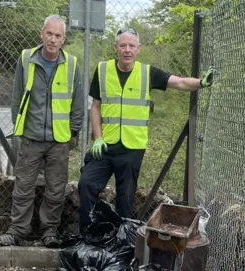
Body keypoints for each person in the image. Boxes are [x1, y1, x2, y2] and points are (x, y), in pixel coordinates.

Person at [77, 27, 214, 233]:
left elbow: (179, 81)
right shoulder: (103, 70)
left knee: (126, 196)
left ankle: (120, 239)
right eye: (123, 45)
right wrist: (97, 138)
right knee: (86, 184)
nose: (127, 50)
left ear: (138, 49)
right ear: (115, 47)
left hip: (132, 147)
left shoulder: (147, 73)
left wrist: (202, 83)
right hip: (104, 145)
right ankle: (87, 234)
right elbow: (95, 108)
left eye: (131, 46)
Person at [0, 15, 84, 248]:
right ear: (42, 34)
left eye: (58, 36)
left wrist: (72, 132)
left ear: (64, 39)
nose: (53, 39)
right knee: (23, 187)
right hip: (30, 136)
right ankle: (17, 231)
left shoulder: (72, 64)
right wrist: (18, 128)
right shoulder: (26, 58)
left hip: (59, 139)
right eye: (49, 34)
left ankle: (49, 231)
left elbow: (78, 103)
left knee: (56, 188)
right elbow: (17, 96)